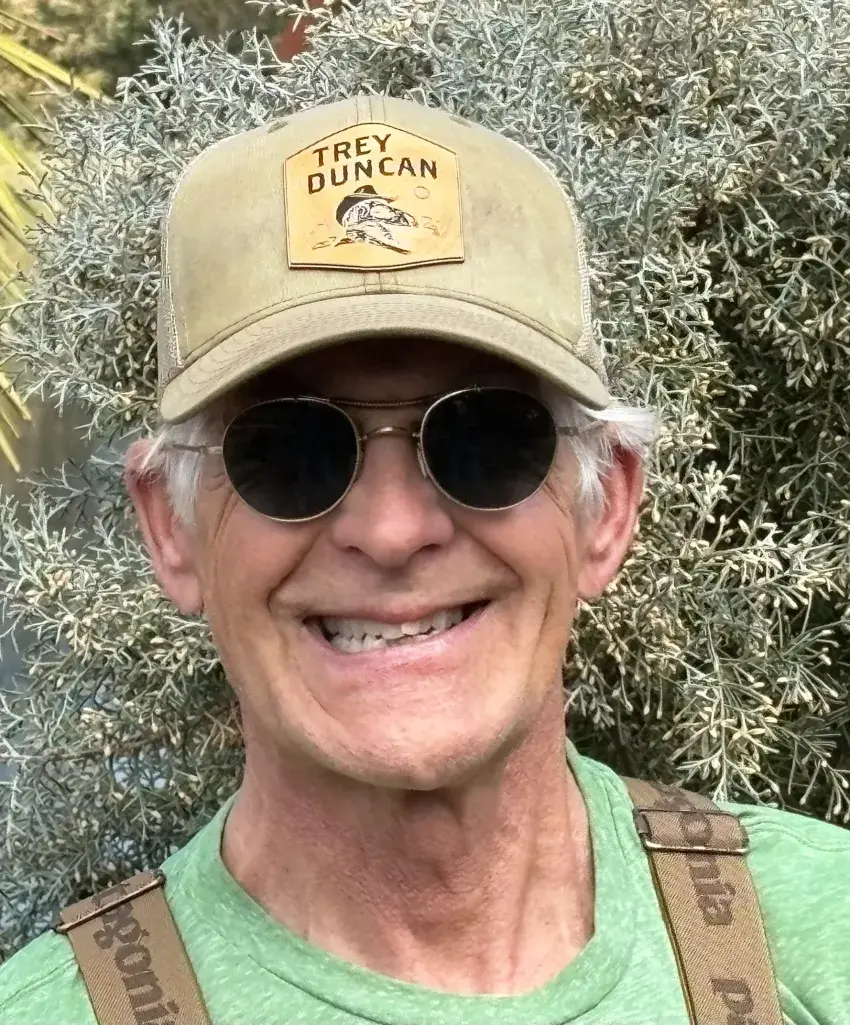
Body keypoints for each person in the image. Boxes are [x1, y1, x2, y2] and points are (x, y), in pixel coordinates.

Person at [1, 95, 848, 1025]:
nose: (394, 529)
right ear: (170, 525)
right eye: (287, 449)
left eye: (488, 437)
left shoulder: (822, 938)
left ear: (609, 507)